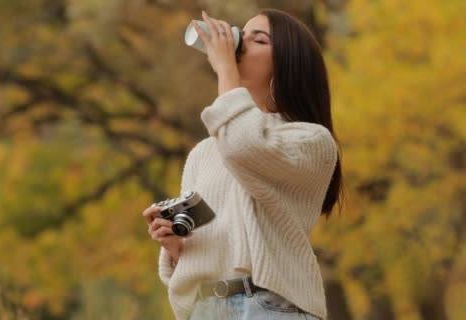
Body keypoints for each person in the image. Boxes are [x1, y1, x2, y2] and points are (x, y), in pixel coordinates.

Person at [142, 8, 342, 320]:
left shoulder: (311, 141)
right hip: (208, 308)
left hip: (270, 306)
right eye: (241, 36)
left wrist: (225, 70)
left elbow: (246, 146)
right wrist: (175, 247)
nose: (239, 45)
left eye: (258, 40)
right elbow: (213, 244)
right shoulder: (204, 152)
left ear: (289, 64)